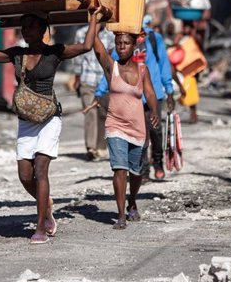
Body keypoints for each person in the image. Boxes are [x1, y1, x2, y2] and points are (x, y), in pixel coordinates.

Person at [0, 6, 100, 244]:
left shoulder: (55, 52)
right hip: (26, 121)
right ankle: (46, 205)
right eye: (24, 27)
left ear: (42, 29)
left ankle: (41, 227)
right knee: (24, 175)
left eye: (31, 26)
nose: (27, 31)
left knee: (41, 170)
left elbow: (86, 46)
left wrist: (92, 19)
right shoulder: (17, 54)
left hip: (50, 118)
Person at [92, 27, 160, 229]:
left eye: (126, 43)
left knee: (136, 172)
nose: (121, 47)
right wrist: (96, 20)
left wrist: (155, 111)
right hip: (115, 125)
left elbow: (151, 93)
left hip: (137, 127)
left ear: (134, 45)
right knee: (119, 169)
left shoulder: (142, 70)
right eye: (118, 43)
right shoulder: (111, 67)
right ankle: (121, 214)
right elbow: (96, 47)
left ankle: (132, 201)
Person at [95, 15, 176, 180]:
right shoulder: (123, 41)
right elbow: (113, 70)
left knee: (155, 130)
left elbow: (164, 64)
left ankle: (158, 162)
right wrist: (100, 91)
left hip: (153, 93)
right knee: (141, 134)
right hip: (133, 97)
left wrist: (169, 90)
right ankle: (143, 170)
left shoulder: (154, 38)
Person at [72, 24, 115, 160]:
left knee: (103, 114)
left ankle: (101, 147)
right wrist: (77, 77)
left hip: (104, 81)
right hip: (88, 79)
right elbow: (78, 58)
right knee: (90, 113)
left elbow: (112, 58)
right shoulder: (81, 33)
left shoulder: (111, 34)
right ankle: (91, 147)